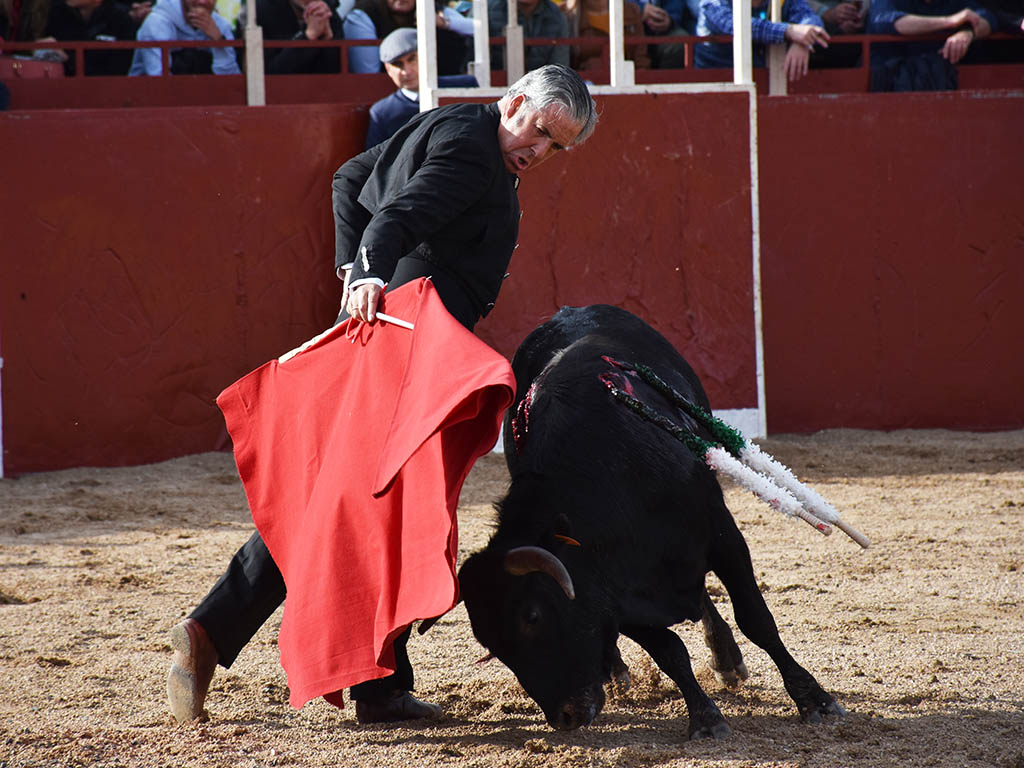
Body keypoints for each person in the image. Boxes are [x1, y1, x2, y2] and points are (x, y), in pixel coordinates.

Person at [166, 62, 597, 726]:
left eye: (556, 147)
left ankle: (232, 638)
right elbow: (396, 214)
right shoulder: (472, 152)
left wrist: (353, 268)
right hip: (410, 346)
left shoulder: (449, 124)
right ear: (515, 103)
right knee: (381, 511)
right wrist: (367, 269)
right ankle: (370, 685)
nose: (540, 152)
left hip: (389, 334)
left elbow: (350, 180)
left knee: (348, 505)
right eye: (541, 132)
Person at [364, 27, 478, 149]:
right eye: (398, 64)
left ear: (426, 57)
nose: (406, 72)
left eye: (412, 59)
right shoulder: (383, 112)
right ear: (388, 69)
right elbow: (376, 162)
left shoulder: (464, 87)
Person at [867, 0, 996, 88]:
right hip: (891, 84)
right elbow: (886, 21)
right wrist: (950, 21)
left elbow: (988, 19)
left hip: (943, 84)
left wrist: (967, 33)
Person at [695, 0, 830, 81]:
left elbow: (810, 18)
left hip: (771, 81)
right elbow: (734, 25)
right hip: (719, 83)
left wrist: (802, 42)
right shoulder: (713, 2)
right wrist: (789, 31)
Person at [343, 0, 470, 74]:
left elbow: (478, 29)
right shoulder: (364, 14)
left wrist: (444, 23)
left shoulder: (433, 7)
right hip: (390, 91)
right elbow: (368, 74)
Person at [129, 0, 239, 74]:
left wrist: (218, 41)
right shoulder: (157, 23)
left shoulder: (221, 26)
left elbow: (231, 79)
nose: (202, 2)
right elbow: (158, 78)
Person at [45, 0, 138, 76]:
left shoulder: (121, 20)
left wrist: (68, 59)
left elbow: (118, 72)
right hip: (61, 89)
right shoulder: (55, 14)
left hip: (107, 91)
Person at [257, 0, 343, 74]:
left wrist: (328, 41)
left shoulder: (328, 10)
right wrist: (308, 37)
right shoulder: (262, 11)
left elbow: (336, 74)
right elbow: (270, 73)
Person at [487, 0, 570, 71]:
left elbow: (559, 68)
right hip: (492, 87)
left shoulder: (556, 15)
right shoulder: (488, 11)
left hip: (541, 85)